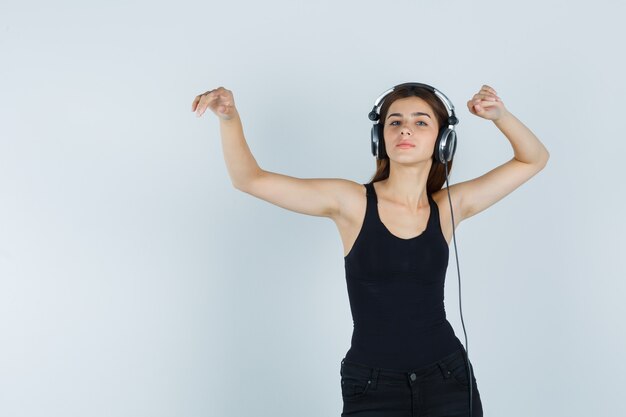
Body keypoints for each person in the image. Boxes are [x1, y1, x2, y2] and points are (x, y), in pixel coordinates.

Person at [192, 84, 549, 416]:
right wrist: (229, 118)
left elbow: (533, 159)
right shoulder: (351, 202)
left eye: (420, 122)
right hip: (372, 386)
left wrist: (500, 116)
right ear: (380, 137)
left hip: (448, 379)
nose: (405, 129)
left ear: (443, 141)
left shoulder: (450, 207)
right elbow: (249, 179)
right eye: (395, 121)